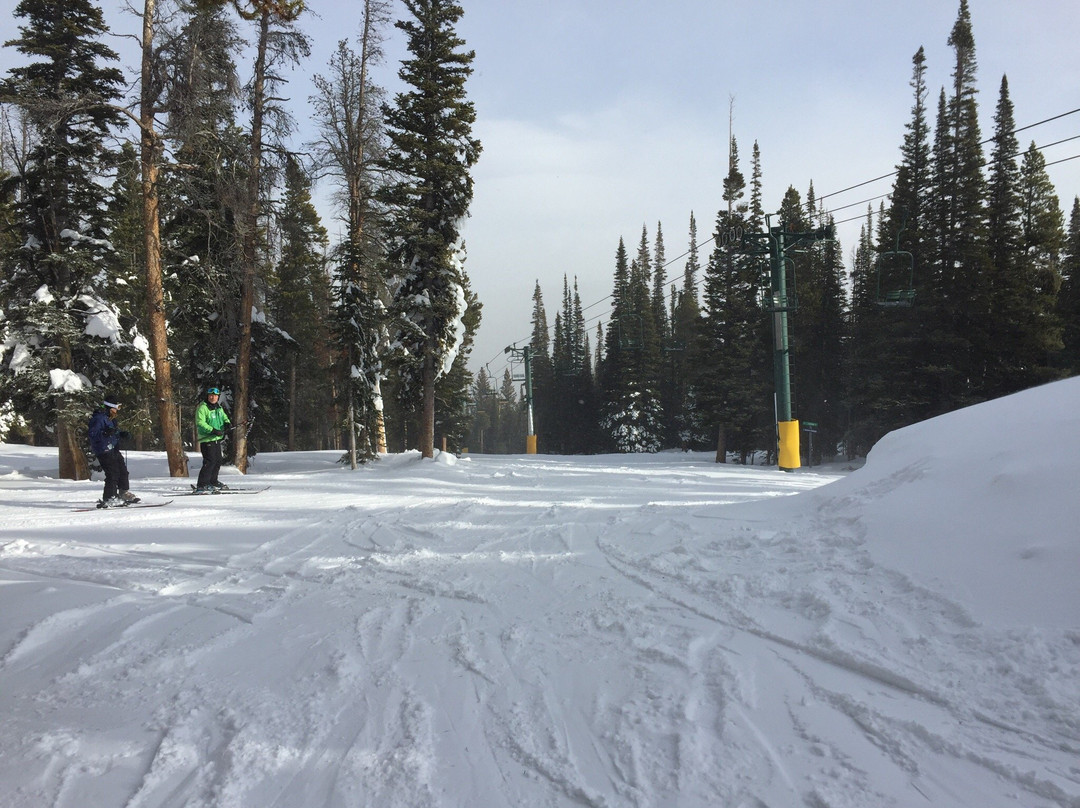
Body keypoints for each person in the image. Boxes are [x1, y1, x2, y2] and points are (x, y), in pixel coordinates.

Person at [87, 396, 139, 508]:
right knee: (113, 473)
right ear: (110, 407)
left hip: (113, 448)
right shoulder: (99, 418)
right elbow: (92, 434)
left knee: (123, 471)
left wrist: (121, 434)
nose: (117, 410)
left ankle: (123, 493)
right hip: (103, 450)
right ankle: (109, 498)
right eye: (117, 407)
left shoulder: (110, 418)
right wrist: (105, 433)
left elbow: (113, 432)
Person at [195, 385, 232, 493]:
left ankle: (212, 481)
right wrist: (212, 430)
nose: (213, 398)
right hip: (207, 439)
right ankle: (202, 484)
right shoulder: (203, 407)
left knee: (218, 461)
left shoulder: (218, 407)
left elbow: (223, 417)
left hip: (216, 438)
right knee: (209, 461)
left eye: (215, 396)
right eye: (211, 396)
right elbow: (200, 422)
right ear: (208, 396)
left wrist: (227, 423)